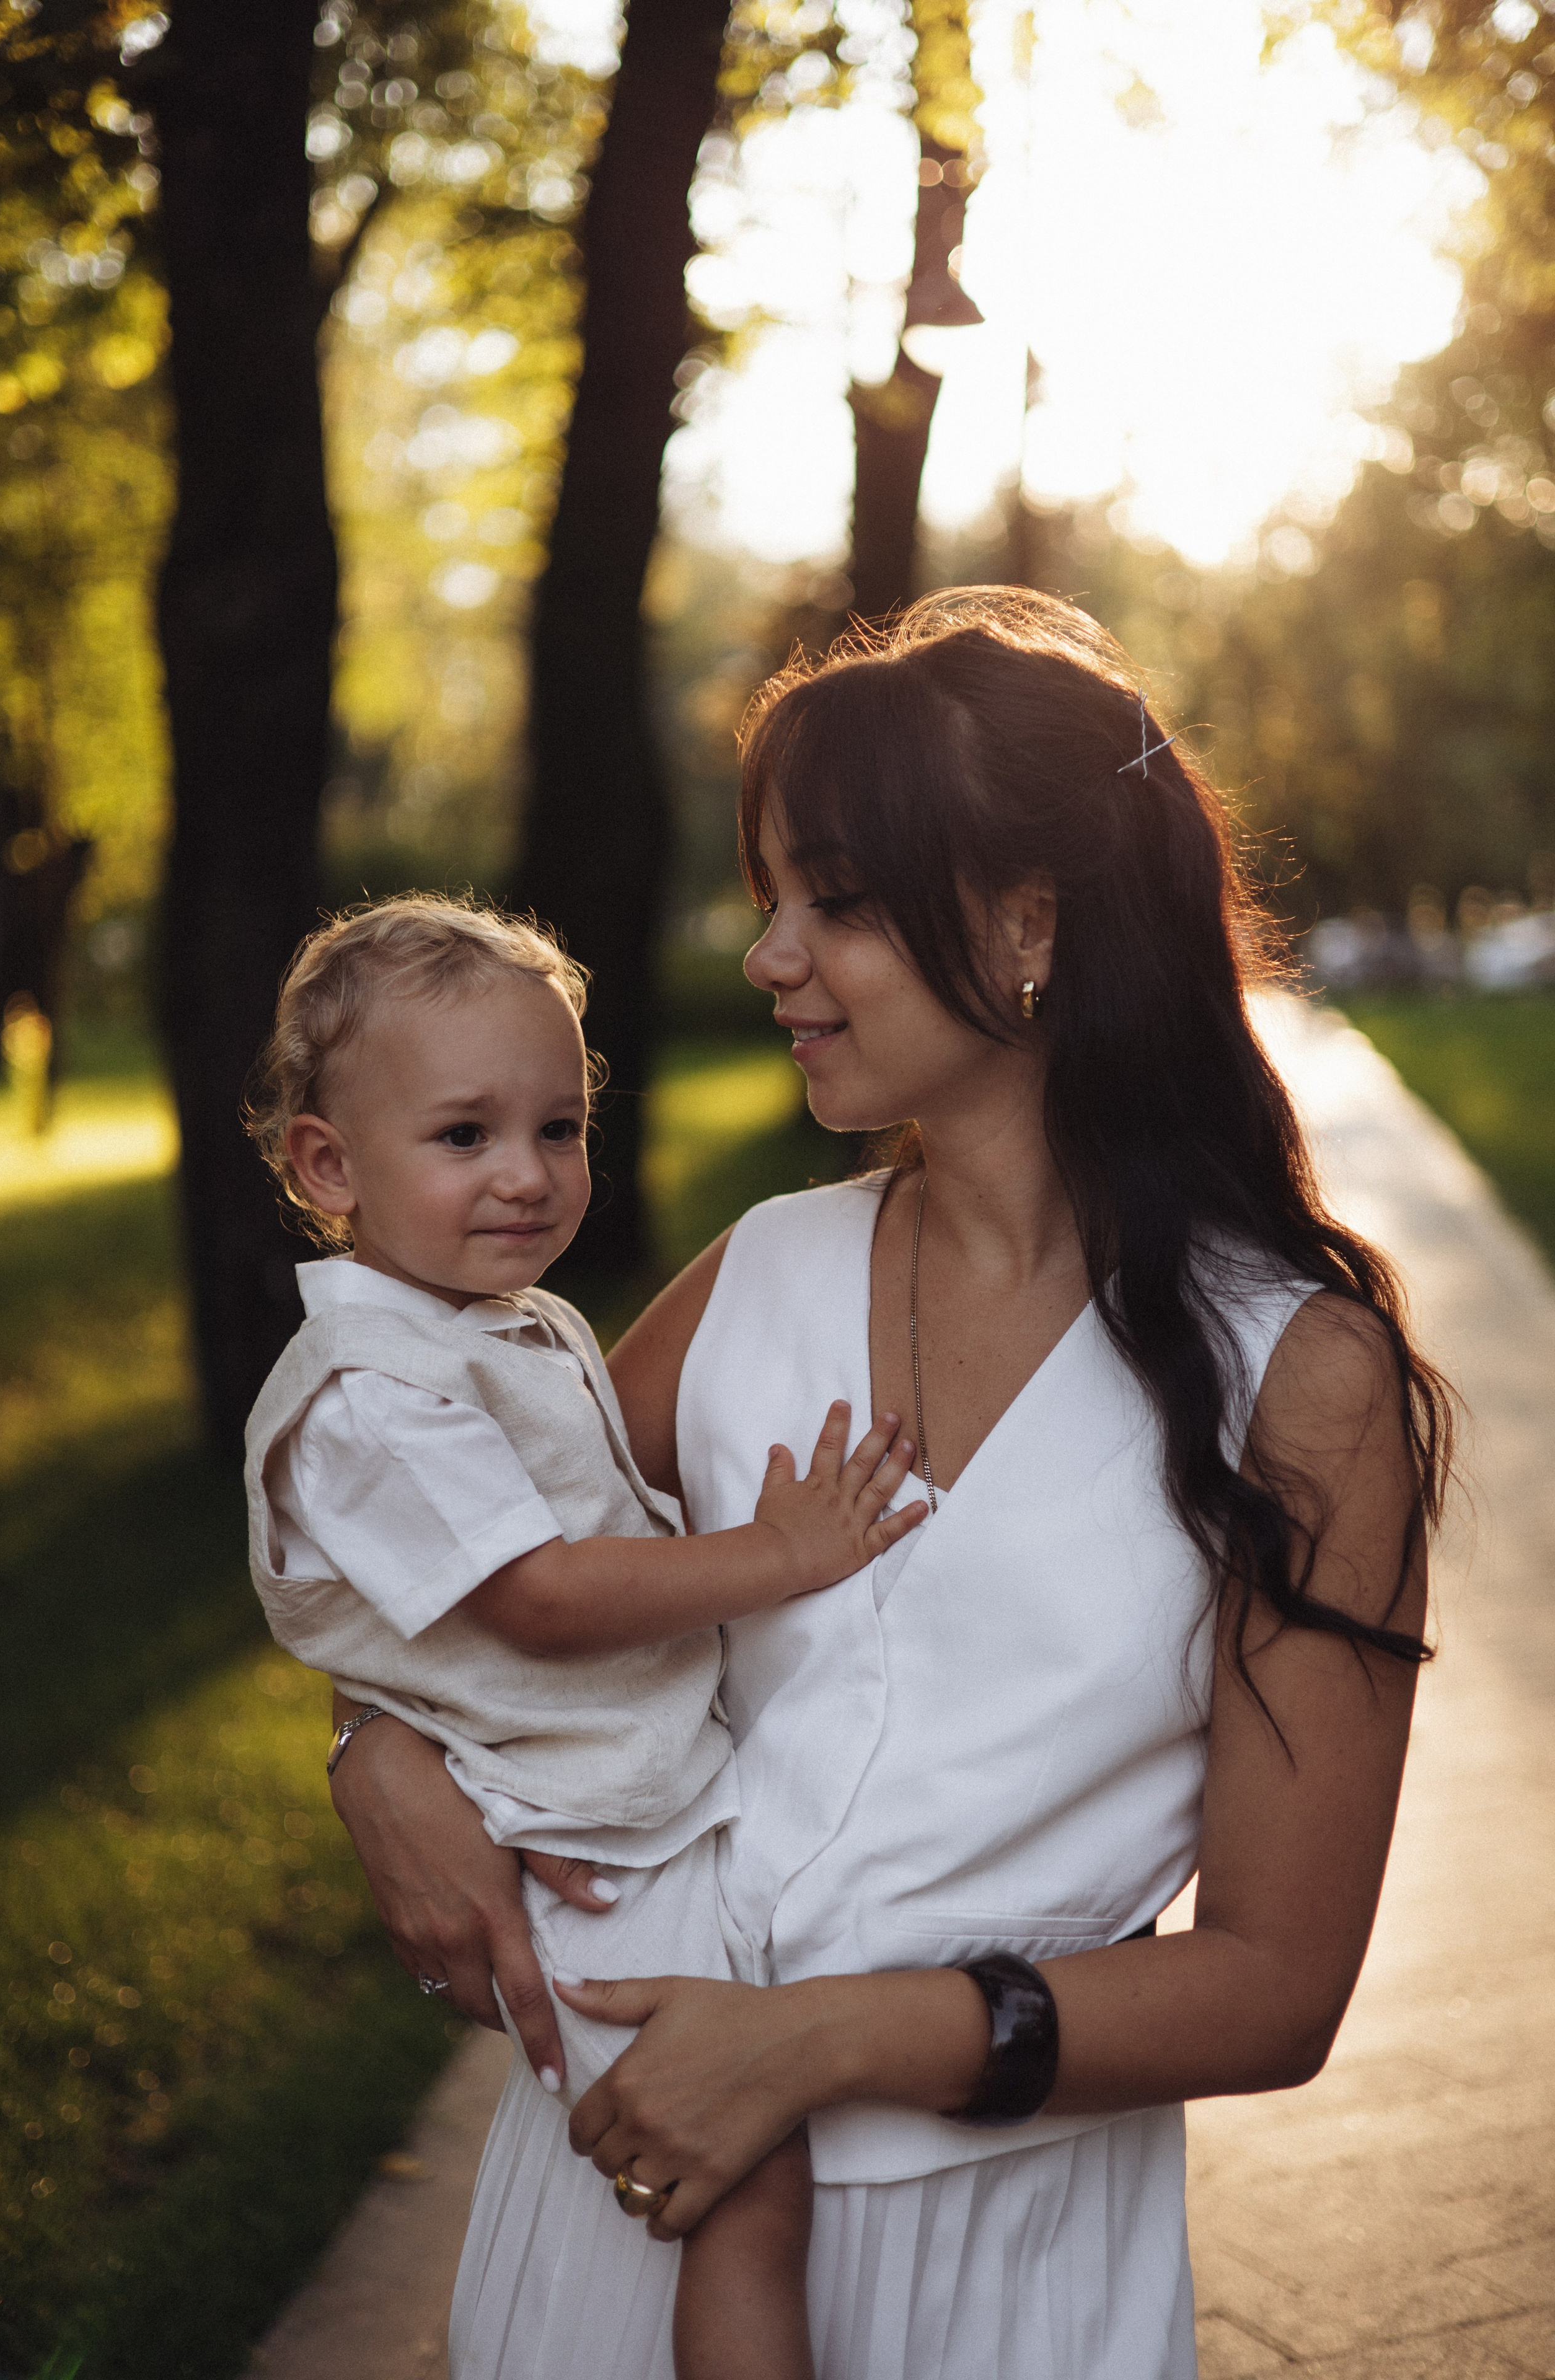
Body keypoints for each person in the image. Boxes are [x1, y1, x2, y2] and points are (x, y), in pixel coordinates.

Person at [330, 589, 1452, 2380]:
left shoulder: (1299, 1385)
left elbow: (1277, 1983)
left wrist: (819, 2042)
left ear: (1030, 921)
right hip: (621, 2203)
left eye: (833, 901)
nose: (770, 956)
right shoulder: (757, 1275)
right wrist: (375, 1758)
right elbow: (470, 1584)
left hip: (988, 2262)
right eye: (773, 897)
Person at [240, 894, 928, 2380]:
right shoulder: (368, 1391)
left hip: (638, 1821)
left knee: (742, 2181)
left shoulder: (502, 1326)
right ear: (326, 1164)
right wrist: (778, 1556)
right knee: (743, 2185)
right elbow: (541, 1597)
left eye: (559, 1127)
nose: (528, 1176)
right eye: (465, 1136)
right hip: (596, 1863)